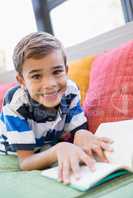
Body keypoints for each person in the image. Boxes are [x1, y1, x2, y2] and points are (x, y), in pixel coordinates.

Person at [0, 32, 112, 184]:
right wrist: (58, 149)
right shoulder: (16, 104)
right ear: (22, 81)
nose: (50, 84)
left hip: (45, 142)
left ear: (66, 70)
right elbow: (25, 162)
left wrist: (82, 132)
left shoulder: (70, 90)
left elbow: (78, 127)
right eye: (36, 76)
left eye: (57, 72)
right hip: (13, 150)